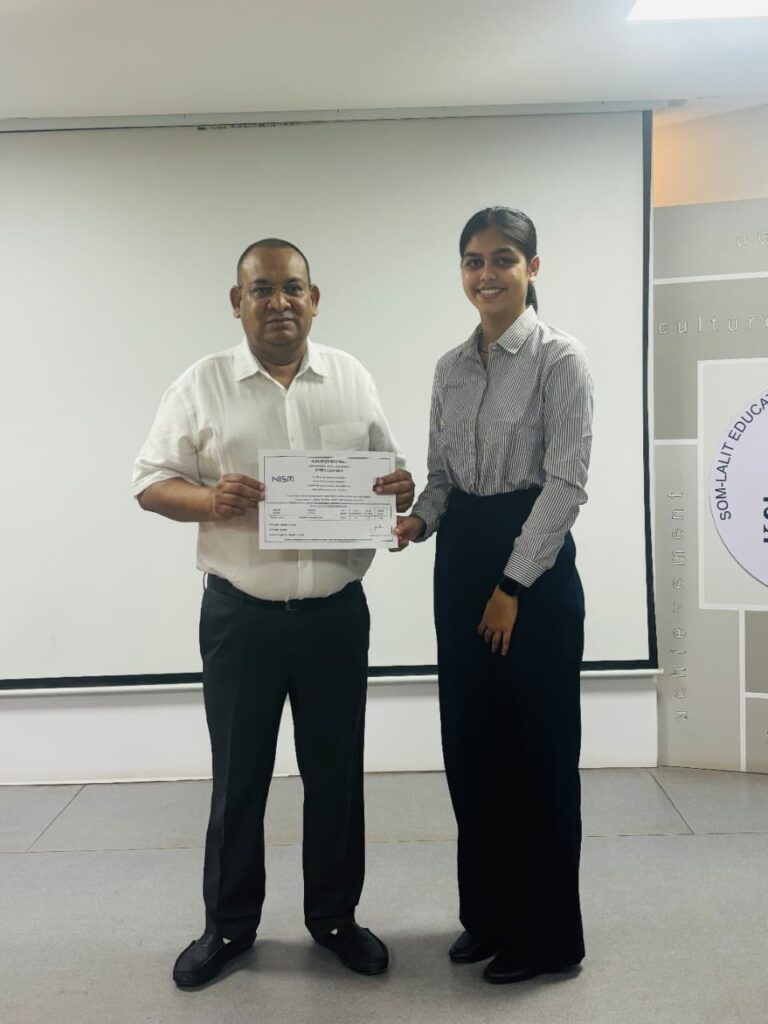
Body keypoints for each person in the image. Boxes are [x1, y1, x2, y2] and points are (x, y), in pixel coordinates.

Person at [133, 238, 414, 987]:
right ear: (238, 302)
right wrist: (208, 499)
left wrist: (398, 490)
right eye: (261, 289)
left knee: (336, 776)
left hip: (334, 617)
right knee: (239, 780)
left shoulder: (351, 377)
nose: (279, 302)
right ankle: (228, 927)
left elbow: (390, 472)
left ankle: (335, 919)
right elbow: (150, 482)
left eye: (292, 287)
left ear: (314, 298)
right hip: (242, 618)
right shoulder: (201, 384)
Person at [396, 207, 593, 985]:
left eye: (503, 258)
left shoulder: (560, 360)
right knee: (472, 749)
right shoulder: (450, 368)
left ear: (531, 268)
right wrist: (416, 521)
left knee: (537, 755)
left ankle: (548, 939)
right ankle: (490, 916)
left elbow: (566, 484)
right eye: (473, 261)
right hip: (461, 562)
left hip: (531, 574)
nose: (487, 274)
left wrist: (512, 585)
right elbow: (442, 479)